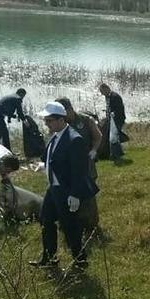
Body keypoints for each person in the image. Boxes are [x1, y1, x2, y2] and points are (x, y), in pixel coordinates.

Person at [29, 102, 99, 269]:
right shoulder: (55, 135)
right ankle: (49, 258)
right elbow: (55, 159)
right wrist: (44, 166)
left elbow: (79, 171)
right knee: (46, 220)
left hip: (66, 190)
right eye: (45, 120)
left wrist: (74, 195)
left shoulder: (75, 140)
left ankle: (80, 260)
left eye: (49, 120)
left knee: (69, 226)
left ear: (61, 119)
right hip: (53, 188)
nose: (46, 123)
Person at [56, 97, 103, 242]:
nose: (63, 117)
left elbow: (98, 136)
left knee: (88, 196)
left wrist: (94, 150)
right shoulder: (59, 123)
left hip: (87, 164)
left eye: (64, 113)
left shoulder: (86, 120)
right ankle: (71, 224)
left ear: (70, 109)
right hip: (68, 167)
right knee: (69, 194)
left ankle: (92, 227)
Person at [99, 83, 127, 161]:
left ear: (106, 88)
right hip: (112, 120)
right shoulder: (108, 96)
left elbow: (118, 109)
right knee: (114, 137)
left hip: (117, 120)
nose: (102, 94)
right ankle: (116, 153)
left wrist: (112, 114)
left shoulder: (115, 97)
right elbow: (110, 108)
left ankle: (115, 155)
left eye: (102, 91)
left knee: (114, 138)